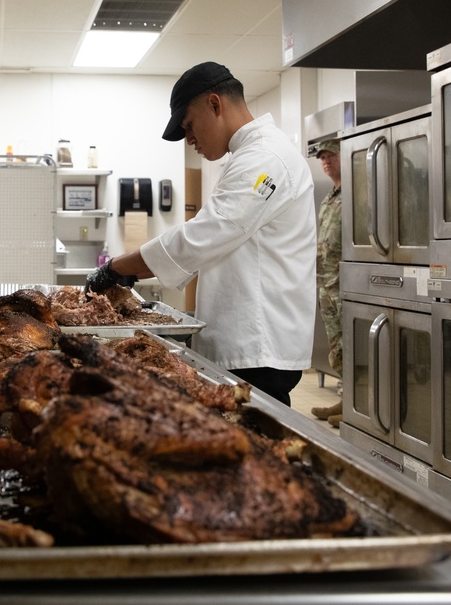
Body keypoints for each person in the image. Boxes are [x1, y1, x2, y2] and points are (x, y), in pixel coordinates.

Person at [85, 62, 317, 406]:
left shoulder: (265, 159)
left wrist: (119, 267)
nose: (190, 139)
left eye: (189, 126)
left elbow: (206, 234)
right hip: (247, 344)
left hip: (258, 347)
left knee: (256, 451)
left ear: (215, 104)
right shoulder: (249, 156)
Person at [308, 138, 344, 426]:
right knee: (337, 348)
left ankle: (356, 411)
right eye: (322, 158)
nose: (326, 161)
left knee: (351, 348)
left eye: (331, 155)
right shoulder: (329, 196)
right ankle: (347, 402)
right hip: (327, 285)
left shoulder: (356, 195)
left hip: (344, 285)